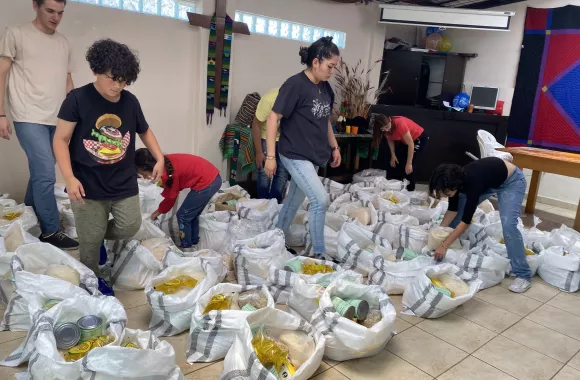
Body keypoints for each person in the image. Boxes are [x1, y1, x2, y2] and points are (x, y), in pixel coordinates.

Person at [53, 39, 165, 295]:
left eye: (124, 81)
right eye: (113, 78)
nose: (118, 86)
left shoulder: (130, 101)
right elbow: (60, 140)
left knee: (130, 225)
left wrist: (159, 157)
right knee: (90, 245)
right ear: (96, 70)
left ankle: (97, 236)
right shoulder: (77, 99)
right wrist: (68, 177)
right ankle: (93, 282)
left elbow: (144, 130)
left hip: (123, 181)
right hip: (87, 183)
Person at [0, 0, 78, 249]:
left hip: (57, 118)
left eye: (60, 13)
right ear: (35, 5)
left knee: (39, 173)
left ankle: (30, 220)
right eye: (50, 11)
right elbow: (1, 73)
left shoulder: (63, 42)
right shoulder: (16, 33)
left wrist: (77, 115)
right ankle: (50, 231)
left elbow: (68, 82)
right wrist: (0, 113)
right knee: (45, 171)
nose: (56, 17)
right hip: (27, 114)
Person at [264, 36, 341, 257]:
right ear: (316, 62)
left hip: (314, 154)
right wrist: (270, 156)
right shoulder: (295, 85)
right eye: (330, 66)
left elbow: (325, 120)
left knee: (293, 201)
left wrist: (334, 146)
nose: (332, 71)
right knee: (320, 200)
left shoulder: (326, 89)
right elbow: (272, 118)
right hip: (294, 153)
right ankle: (319, 254)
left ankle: (274, 242)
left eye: (334, 67)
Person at [429, 157, 532, 293]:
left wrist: (443, 245)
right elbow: (452, 210)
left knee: (509, 225)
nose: (444, 195)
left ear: (454, 186)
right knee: (456, 216)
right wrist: (439, 231)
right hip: (489, 182)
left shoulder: (472, 183)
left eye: (446, 192)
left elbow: (466, 222)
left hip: (511, 182)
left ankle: (523, 274)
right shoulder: (454, 180)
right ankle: (450, 251)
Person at [135, 149, 221, 251]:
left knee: (183, 216)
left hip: (207, 182)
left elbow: (171, 198)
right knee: (191, 215)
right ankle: (193, 242)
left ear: (151, 167)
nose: (145, 177)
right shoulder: (164, 163)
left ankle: (187, 248)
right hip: (213, 177)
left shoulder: (168, 174)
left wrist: (157, 212)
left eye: (144, 174)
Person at [252, 88, 290, 203]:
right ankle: (262, 204)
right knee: (264, 173)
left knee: (282, 173)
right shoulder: (269, 100)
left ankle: (275, 205)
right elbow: (255, 123)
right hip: (266, 137)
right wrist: (259, 151)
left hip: (285, 140)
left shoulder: (298, 101)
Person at [372, 114, 427, 191]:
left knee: (410, 166)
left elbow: (411, 144)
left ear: (390, 120)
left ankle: (410, 190)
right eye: (383, 129)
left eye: (387, 127)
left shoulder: (400, 124)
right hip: (405, 140)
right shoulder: (385, 128)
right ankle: (399, 185)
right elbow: (390, 140)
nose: (386, 130)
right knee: (398, 160)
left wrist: (409, 163)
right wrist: (393, 155)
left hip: (418, 138)